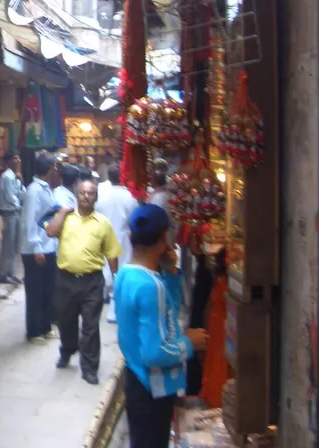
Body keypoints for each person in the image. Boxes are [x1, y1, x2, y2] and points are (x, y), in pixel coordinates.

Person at [114, 204, 208, 448]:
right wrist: (189, 343)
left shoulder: (126, 274)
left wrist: (171, 271)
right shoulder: (149, 286)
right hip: (151, 391)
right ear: (162, 239)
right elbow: (154, 353)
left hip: (137, 382)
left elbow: (169, 308)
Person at [44, 176, 121, 385]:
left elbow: (112, 254)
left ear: (96, 197)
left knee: (91, 326)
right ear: (76, 195)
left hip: (92, 282)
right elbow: (50, 231)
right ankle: (67, 350)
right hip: (65, 280)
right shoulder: (66, 218)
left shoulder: (103, 223)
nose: (87, 196)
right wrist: (62, 212)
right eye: (83, 193)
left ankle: (89, 368)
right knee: (65, 321)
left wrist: (117, 281)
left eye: (91, 193)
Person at [20, 151, 60, 344]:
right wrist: (37, 248)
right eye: (54, 167)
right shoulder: (34, 191)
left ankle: (45, 326)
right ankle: (33, 330)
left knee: (47, 290)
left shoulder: (47, 189)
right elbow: (30, 221)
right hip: (36, 250)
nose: (56, 170)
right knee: (35, 291)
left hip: (48, 246)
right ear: (49, 169)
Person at [96, 164, 139, 321]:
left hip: (104, 238)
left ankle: (109, 304)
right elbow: (134, 219)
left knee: (107, 271)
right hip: (122, 239)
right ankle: (116, 309)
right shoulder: (128, 197)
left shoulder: (101, 195)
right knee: (120, 273)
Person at [0, 150, 26, 284]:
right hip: (10, 213)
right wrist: (19, 204)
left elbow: (22, 194)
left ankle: (11, 272)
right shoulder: (6, 177)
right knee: (8, 244)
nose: (18, 161)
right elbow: (10, 197)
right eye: (15, 158)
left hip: (17, 212)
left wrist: (21, 181)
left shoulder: (15, 176)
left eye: (19, 158)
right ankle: (3, 274)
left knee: (15, 245)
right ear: (8, 161)